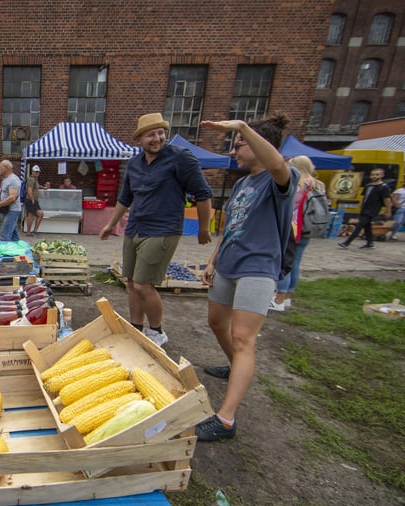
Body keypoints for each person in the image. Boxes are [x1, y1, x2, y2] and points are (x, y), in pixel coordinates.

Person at [197, 114, 298, 441]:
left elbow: (278, 165)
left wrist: (242, 127)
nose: (235, 151)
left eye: (239, 145)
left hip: (258, 268)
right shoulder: (242, 184)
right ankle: (237, 364)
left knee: (243, 339)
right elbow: (230, 229)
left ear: (258, 143)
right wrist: (212, 260)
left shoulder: (280, 178)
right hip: (228, 264)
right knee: (216, 322)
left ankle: (225, 420)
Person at [99, 113, 212, 347]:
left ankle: (158, 331)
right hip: (135, 228)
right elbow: (125, 197)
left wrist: (203, 228)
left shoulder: (180, 158)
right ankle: (136, 328)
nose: (157, 138)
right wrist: (111, 224)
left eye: (160, 133)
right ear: (139, 139)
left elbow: (202, 193)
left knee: (143, 284)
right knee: (130, 282)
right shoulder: (135, 164)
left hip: (162, 230)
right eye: (151, 134)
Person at [270, 156, 328, 311]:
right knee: (295, 263)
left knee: (284, 262)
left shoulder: (297, 184)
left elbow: (287, 204)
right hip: (307, 228)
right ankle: (288, 296)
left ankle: (279, 299)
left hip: (293, 227)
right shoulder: (318, 185)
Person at [338, 167, 392, 249]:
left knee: (360, 225)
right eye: (373, 175)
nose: (374, 176)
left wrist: (388, 211)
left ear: (382, 175)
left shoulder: (383, 187)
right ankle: (370, 243)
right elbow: (364, 196)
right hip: (364, 208)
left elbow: (386, 200)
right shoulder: (368, 185)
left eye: (377, 174)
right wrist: (361, 204)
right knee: (367, 226)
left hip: (373, 210)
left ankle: (347, 242)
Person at [0, 160, 22, 241]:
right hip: (8, 210)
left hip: (12, 210)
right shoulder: (6, 179)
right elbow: (6, 194)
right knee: (14, 236)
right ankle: (18, 251)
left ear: (6, 168)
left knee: (4, 235)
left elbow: (12, 198)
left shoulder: (13, 180)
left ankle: (3, 253)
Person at [24, 165, 44, 237]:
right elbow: (29, 190)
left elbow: (37, 186)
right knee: (32, 215)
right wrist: (32, 200)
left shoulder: (35, 179)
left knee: (38, 214)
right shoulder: (32, 179)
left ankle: (33, 231)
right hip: (31, 200)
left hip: (33, 200)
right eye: (36, 172)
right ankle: (29, 232)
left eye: (38, 172)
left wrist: (44, 187)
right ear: (32, 172)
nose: (37, 173)